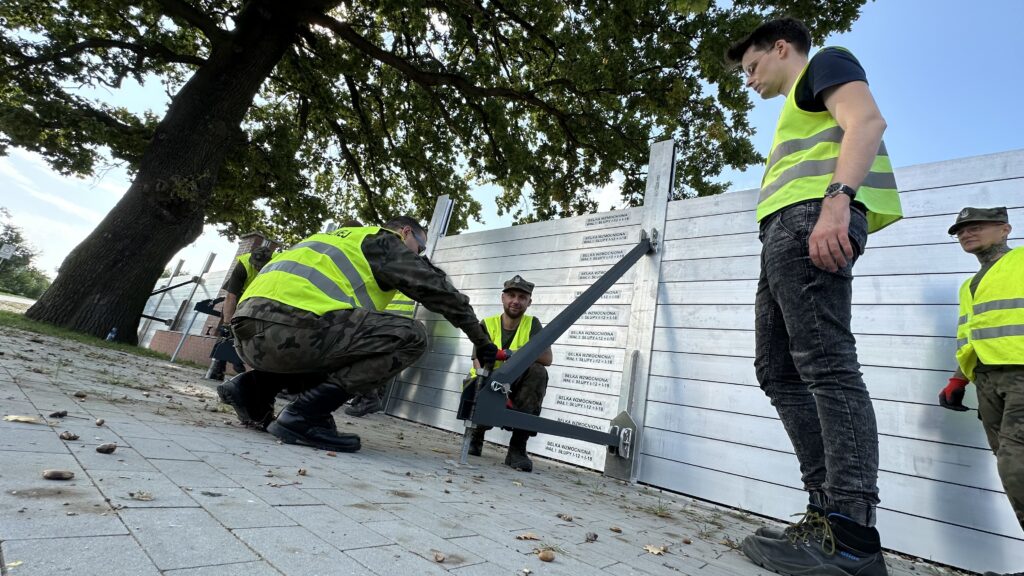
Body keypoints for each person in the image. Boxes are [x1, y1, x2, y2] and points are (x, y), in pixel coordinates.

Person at [726, 16, 902, 575]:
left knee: (827, 367)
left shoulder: (825, 63)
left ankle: (852, 536)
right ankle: (825, 514)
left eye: (752, 66)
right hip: (785, 229)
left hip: (812, 221)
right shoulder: (791, 111)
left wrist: (838, 201)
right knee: (776, 370)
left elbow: (868, 123)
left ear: (782, 48)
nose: (749, 80)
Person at [217, 217, 498, 452]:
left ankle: (253, 389)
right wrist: (481, 340)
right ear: (405, 232)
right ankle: (304, 416)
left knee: (346, 345)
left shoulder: (336, 239)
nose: (419, 255)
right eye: (420, 248)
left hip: (249, 333)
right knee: (411, 336)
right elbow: (438, 291)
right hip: (290, 328)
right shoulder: (384, 241)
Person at [938, 207, 1022, 576]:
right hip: (988, 382)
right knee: (1010, 470)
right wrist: (959, 380)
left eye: (976, 226)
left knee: (1017, 467)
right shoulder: (970, 285)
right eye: (960, 230)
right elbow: (972, 338)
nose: (966, 233)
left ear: (1005, 229)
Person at [465, 275, 552, 472]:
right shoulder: (487, 323)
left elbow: (547, 359)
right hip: (488, 379)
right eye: (511, 295)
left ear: (529, 302)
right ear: (502, 298)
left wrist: (510, 354)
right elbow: (476, 359)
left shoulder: (532, 324)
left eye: (522, 297)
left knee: (538, 372)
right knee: (479, 379)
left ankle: (517, 448)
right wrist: (489, 384)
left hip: (517, 383)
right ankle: (476, 436)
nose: (516, 301)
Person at [207, 245, 274, 380]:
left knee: (249, 330)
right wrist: (227, 323)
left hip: (259, 297)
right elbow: (231, 297)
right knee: (227, 331)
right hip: (239, 295)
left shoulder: (277, 265)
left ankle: (237, 360)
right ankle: (217, 368)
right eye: (255, 264)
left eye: (260, 266)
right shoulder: (243, 265)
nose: (257, 268)